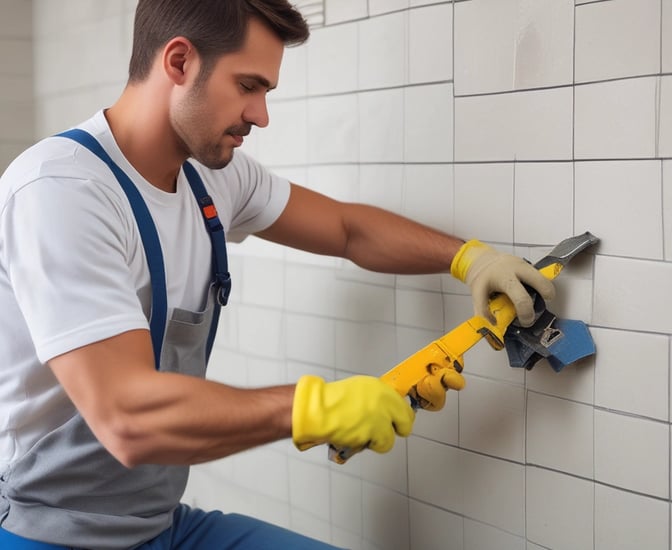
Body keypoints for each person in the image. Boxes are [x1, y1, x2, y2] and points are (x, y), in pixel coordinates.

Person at [0, 1, 556, 548]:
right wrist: (315, 409)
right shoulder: (62, 192)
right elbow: (126, 419)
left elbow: (346, 228)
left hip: (160, 525)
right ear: (178, 62)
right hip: (44, 532)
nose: (261, 114)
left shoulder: (211, 180)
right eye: (248, 86)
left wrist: (470, 259)